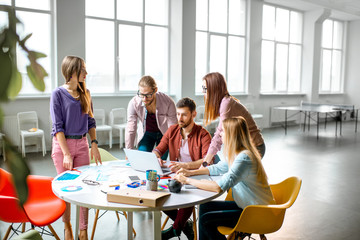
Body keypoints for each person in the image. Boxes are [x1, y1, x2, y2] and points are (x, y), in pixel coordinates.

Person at [174, 117, 275, 240]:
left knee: (207, 220)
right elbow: (215, 168)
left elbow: (218, 187)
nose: (220, 134)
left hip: (257, 212)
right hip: (246, 206)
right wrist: (190, 173)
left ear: (232, 135)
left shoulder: (244, 158)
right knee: (205, 206)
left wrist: (187, 180)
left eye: (223, 131)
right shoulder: (238, 153)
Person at [50, 56, 101, 240]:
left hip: (82, 144)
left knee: (84, 189)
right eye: (83, 70)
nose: (86, 73)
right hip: (62, 145)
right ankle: (67, 226)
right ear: (72, 71)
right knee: (66, 189)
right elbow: (57, 127)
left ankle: (83, 230)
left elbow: (90, 121)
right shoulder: (57, 94)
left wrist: (94, 143)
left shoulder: (86, 92)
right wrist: (66, 153)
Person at [152, 97, 212, 240]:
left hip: (196, 175)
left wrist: (186, 166)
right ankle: (185, 225)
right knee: (158, 197)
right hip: (175, 175)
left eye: (184, 114)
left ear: (193, 114)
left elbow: (207, 161)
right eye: (178, 114)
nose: (180, 118)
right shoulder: (172, 130)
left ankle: (175, 229)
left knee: (189, 196)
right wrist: (156, 156)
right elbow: (159, 149)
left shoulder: (203, 134)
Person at [201, 72, 265, 166]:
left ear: (214, 89)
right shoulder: (224, 102)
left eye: (204, 88)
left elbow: (218, 135)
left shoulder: (226, 104)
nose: (203, 92)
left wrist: (205, 163)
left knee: (230, 175)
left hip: (254, 147)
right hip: (244, 148)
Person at [125, 75, 177, 160]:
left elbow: (173, 127)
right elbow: (131, 128)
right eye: (141, 95)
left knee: (160, 161)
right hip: (146, 133)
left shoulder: (168, 102)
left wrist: (175, 151)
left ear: (155, 90)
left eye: (148, 95)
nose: (144, 99)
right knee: (142, 158)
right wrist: (129, 150)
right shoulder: (134, 103)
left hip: (164, 134)